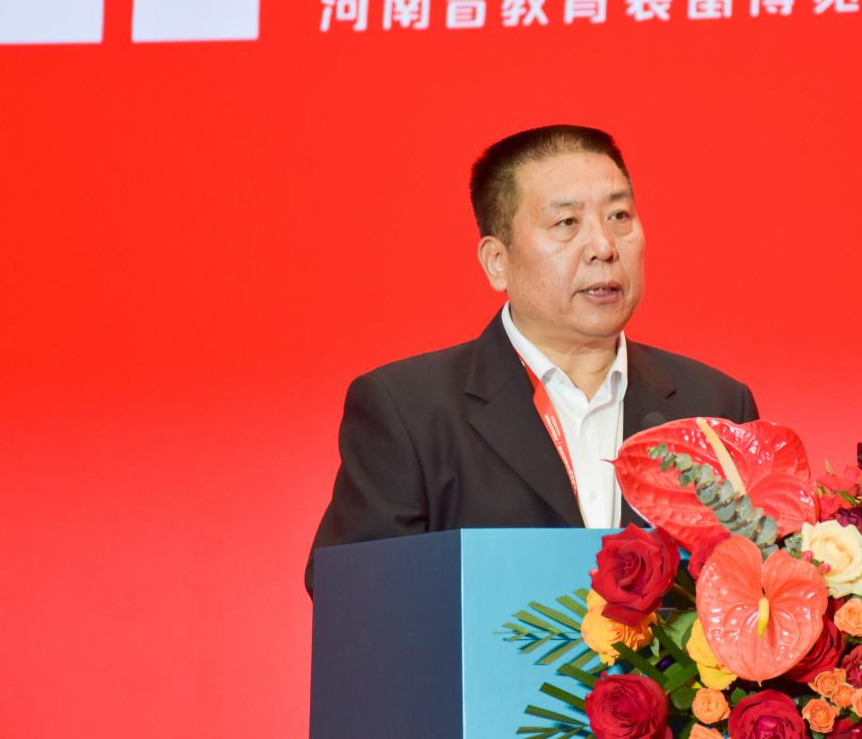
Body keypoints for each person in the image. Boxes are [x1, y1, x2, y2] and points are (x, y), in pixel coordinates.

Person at [305, 125, 757, 595]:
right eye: (567, 223)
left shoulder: (716, 407)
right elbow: (357, 596)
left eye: (619, 216)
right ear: (496, 261)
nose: (604, 247)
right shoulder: (410, 412)